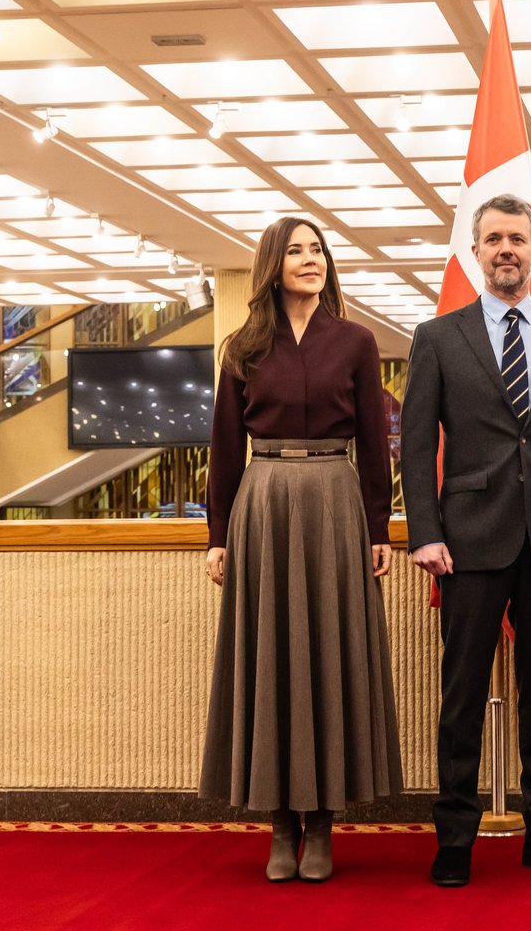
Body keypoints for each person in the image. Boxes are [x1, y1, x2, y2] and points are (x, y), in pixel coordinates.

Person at [400, 194, 531, 888]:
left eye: (517, 238)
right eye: (493, 239)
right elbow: (415, 445)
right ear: (475, 252)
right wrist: (424, 533)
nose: (506, 249)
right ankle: (455, 838)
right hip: (465, 542)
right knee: (461, 695)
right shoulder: (437, 337)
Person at [199, 216, 403, 883]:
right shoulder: (243, 347)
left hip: (337, 504)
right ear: (273, 264)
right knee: (272, 661)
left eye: (318, 250)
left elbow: (374, 440)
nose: (311, 260)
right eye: (296, 251)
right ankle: (280, 826)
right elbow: (224, 447)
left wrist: (379, 526)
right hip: (263, 506)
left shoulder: (356, 341)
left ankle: (322, 826)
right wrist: (218, 536)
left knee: (327, 657)